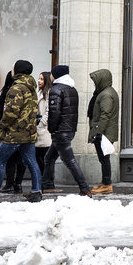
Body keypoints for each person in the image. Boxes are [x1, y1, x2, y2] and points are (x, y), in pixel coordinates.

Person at [0, 61, 43, 204]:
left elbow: (11, 113)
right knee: (31, 161)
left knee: (0, 160)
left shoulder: (16, 88)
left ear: (17, 70)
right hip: (28, 132)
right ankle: (37, 191)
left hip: (14, 133)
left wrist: (1, 126)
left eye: (12, 68)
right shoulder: (31, 87)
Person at [44, 64, 91, 197]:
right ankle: (46, 185)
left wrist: (52, 129)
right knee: (49, 158)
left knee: (69, 161)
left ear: (57, 75)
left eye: (52, 73)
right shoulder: (72, 89)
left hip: (60, 131)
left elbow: (55, 113)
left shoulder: (56, 90)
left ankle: (84, 188)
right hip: (69, 130)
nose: (50, 76)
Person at [88, 69, 120, 195]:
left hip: (104, 132)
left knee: (104, 158)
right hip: (103, 131)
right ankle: (105, 181)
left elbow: (105, 115)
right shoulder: (104, 93)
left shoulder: (106, 94)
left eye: (95, 81)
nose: (94, 84)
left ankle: (107, 184)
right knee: (103, 158)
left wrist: (99, 133)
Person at [35, 72, 53, 188]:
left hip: (44, 130)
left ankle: (48, 182)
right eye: (39, 78)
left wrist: (41, 124)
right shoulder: (39, 93)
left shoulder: (48, 94)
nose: (39, 81)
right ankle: (44, 180)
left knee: (45, 158)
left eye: (42, 79)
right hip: (38, 130)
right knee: (39, 158)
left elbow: (48, 112)